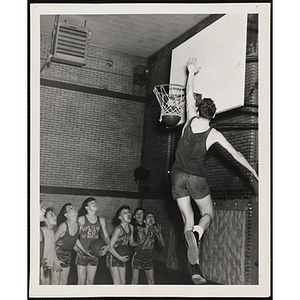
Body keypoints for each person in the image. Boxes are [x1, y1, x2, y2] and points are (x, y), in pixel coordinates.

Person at [170, 58, 259, 285]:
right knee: (208, 214)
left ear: (199, 110)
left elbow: (189, 95)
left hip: (177, 176)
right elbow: (236, 155)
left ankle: (195, 270)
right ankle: (198, 232)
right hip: (196, 178)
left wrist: (191, 72)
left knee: (186, 218)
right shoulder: (214, 134)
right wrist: (253, 173)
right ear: (214, 116)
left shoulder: (190, 118)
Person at [52, 203, 91, 285]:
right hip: (57, 253)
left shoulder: (79, 225)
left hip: (68, 255)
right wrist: (55, 260)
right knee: (55, 282)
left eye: (72, 206)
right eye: (69, 208)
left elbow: (74, 239)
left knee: (64, 282)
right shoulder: (63, 226)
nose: (73, 207)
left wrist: (83, 250)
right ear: (66, 215)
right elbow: (51, 242)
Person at [76, 197, 110, 285]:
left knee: (90, 281)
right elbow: (75, 237)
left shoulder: (101, 220)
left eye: (95, 202)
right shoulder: (81, 219)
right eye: (92, 203)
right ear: (86, 207)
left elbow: (106, 236)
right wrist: (83, 250)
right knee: (81, 282)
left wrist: (108, 246)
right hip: (82, 252)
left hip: (94, 253)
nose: (95, 203)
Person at [106, 205, 139, 284]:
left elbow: (131, 243)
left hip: (122, 255)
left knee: (123, 282)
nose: (128, 214)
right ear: (120, 217)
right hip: (113, 255)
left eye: (129, 212)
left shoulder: (131, 227)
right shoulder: (118, 229)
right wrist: (120, 258)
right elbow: (110, 247)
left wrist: (140, 243)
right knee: (117, 282)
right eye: (125, 212)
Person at [131, 212, 165, 284]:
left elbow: (162, 244)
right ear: (144, 221)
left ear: (154, 221)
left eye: (152, 217)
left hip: (148, 257)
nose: (150, 218)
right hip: (138, 257)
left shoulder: (154, 231)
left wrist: (159, 233)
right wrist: (148, 235)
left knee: (151, 281)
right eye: (148, 217)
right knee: (135, 281)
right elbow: (143, 247)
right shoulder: (140, 229)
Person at [40, 207, 62, 284]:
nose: (55, 216)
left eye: (54, 214)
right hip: (41, 267)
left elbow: (52, 248)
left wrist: (55, 261)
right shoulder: (42, 231)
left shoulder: (51, 231)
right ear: (45, 219)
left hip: (47, 267)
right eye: (51, 215)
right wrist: (39, 261)